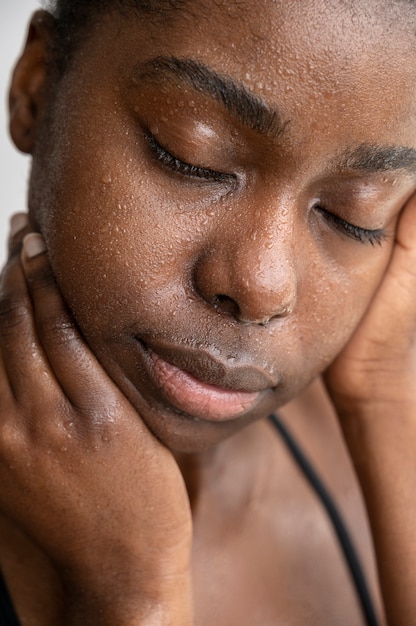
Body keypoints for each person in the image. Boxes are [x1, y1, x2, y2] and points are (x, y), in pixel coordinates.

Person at [1, 0, 416, 623]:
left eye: (351, 215)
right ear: (35, 89)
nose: (262, 284)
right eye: (192, 157)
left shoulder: (366, 457)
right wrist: (128, 594)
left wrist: (386, 399)